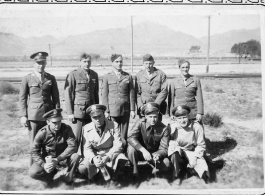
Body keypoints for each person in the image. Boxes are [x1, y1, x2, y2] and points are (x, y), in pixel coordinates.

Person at [19, 51, 60, 166]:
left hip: (49, 115)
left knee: (50, 142)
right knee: (34, 143)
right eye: (38, 63)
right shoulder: (27, 78)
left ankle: (50, 167)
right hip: (34, 116)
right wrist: (23, 115)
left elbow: (56, 97)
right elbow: (22, 98)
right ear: (34, 64)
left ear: (46, 63)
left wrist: (56, 114)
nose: (40, 65)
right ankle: (34, 168)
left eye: (43, 63)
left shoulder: (50, 78)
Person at [78, 104, 128, 181]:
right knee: (82, 168)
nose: (98, 119)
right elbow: (87, 149)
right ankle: (97, 176)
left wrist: (107, 156)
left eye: (99, 116)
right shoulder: (86, 128)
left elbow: (118, 145)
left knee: (122, 160)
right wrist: (93, 158)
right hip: (96, 155)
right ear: (91, 118)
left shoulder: (113, 125)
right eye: (94, 117)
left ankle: (115, 176)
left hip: (110, 154)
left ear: (104, 115)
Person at [29, 108, 80, 185]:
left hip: (63, 158)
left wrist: (58, 159)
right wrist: (44, 164)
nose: (58, 124)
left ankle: (68, 178)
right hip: (48, 160)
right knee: (33, 173)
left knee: (75, 156)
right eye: (54, 122)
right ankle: (49, 176)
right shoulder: (42, 133)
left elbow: (73, 146)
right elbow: (34, 151)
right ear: (48, 121)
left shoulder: (66, 129)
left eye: (59, 121)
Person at [64, 53, 99, 153]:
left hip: (91, 111)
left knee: (89, 137)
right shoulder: (73, 74)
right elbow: (69, 95)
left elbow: (95, 94)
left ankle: (86, 159)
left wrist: (96, 110)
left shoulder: (94, 74)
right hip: (79, 111)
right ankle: (73, 160)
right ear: (80, 62)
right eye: (84, 61)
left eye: (89, 61)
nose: (87, 64)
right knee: (77, 138)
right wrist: (70, 113)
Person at [127, 102, 170, 178]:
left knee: (167, 164)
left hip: (154, 154)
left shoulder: (164, 128)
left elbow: (164, 148)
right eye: (150, 117)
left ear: (158, 115)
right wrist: (143, 150)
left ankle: (156, 174)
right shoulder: (140, 123)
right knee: (131, 149)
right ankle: (134, 174)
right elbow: (131, 137)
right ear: (145, 116)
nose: (153, 119)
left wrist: (158, 155)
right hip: (141, 152)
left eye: (155, 117)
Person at [101, 54, 135, 146]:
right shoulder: (107, 77)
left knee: (124, 134)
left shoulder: (128, 76)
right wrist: (106, 110)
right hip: (113, 110)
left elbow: (131, 94)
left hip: (125, 109)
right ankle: (114, 152)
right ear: (112, 63)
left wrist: (132, 110)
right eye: (116, 62)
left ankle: (123, 152)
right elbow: (104, 95)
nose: (119, 63)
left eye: (120, 61)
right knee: (113, 132)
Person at [169, 105, 209, 183]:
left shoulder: (196, 126)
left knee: (203, 172)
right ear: (176, 118)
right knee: (173, 152)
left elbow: (201, 145)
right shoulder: (173, 127)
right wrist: (172, 143)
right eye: (179, 118)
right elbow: (168, 141)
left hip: (192, 152)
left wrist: (195, 157)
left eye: (184, 117)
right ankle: (176, 175)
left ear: (188, 116)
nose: (182, 120)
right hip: (179, 152)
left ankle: (189, 170)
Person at [135, 54, 168, 121]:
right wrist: (141, 106)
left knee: (157, 128)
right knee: (144, 128)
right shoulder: (139, 75)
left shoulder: (161, 74)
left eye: (150, 63)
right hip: (144, 107)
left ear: (153, 63)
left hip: (157, 106)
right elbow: (137, 93)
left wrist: (156, 104)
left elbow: (164, 91)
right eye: (146, 63)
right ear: (143, 64)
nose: (148, 66)